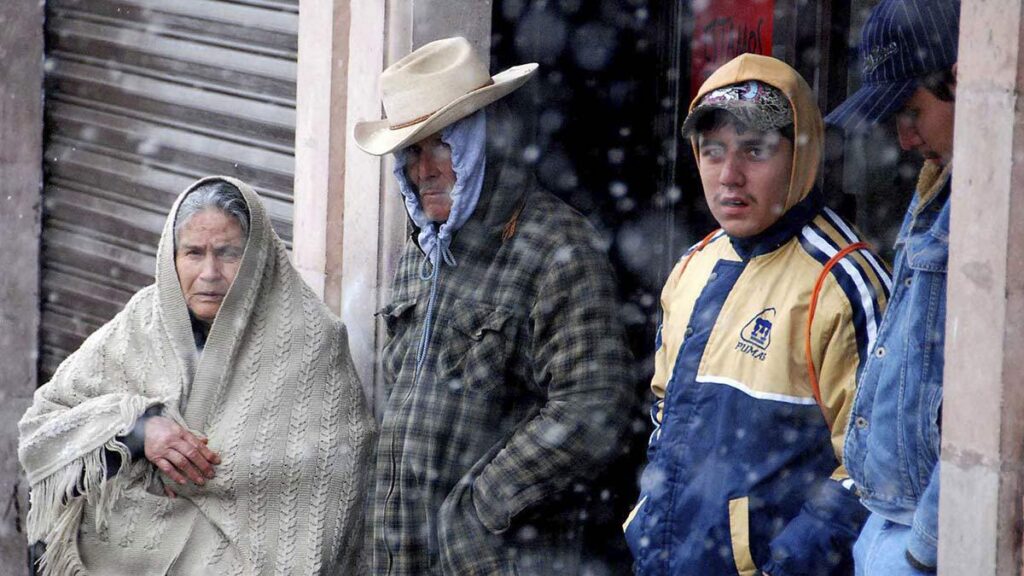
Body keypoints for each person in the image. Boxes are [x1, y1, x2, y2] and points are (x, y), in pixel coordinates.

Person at [353, 37, 634, 575]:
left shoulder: (556, 246)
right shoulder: (422, 251)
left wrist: (479, 508)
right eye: (411, 152)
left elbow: (593, 403)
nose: (423, 170)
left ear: (480, 143)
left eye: (441, 146)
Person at [19, 177, 375, 575]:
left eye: (228, 253)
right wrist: (137, 429)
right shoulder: (144, 319)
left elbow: (327, 484)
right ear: (171, 257)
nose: (209, 273)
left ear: (258, 256)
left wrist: (196, 479)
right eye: (193, 252)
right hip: (119, 553)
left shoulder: (310, 340)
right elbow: (45, 425)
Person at [623, 53, 892, 575]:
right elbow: (665, 415)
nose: (730, 175)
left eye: (755, 150)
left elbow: (874, 468)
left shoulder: (842, 281)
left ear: (801, 155)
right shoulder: (694, 266)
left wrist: (783, 565)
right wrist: (647, 528)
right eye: (713, 151)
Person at [825, 0, 959, 573]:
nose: (904, 139)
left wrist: (923, 546)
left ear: (962, 79)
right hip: (888, 519)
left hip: (923, 534)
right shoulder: (939, 186)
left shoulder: (991, 207)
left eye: (912, 112)